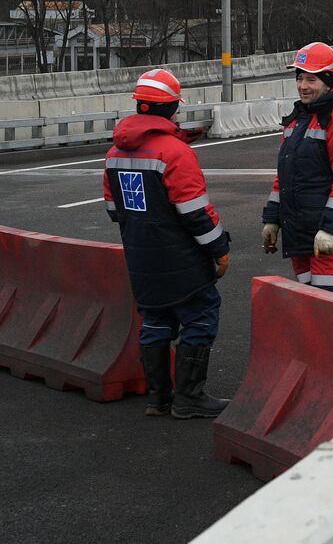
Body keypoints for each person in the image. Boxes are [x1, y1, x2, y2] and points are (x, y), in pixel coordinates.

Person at [104, 68, 231, 419]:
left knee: (155, 320)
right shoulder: (174, 152)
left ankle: (159, 398)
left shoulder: (114, 153)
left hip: (140, 257)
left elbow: (114, 210)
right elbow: (195, 214)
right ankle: (190, 398)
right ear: (172, 107)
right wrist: (219, 248)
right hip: (181, 258)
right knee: (200, 316)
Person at [261, 42, 333, 295]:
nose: (302, 86)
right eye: (300, 78)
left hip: (326, 239)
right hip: (299, 236)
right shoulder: (297, 121)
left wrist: (330, 229)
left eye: (311, 80)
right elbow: (285, 178)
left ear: (328, 81)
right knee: (311, 315)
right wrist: (272, 220)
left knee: (331, 317)